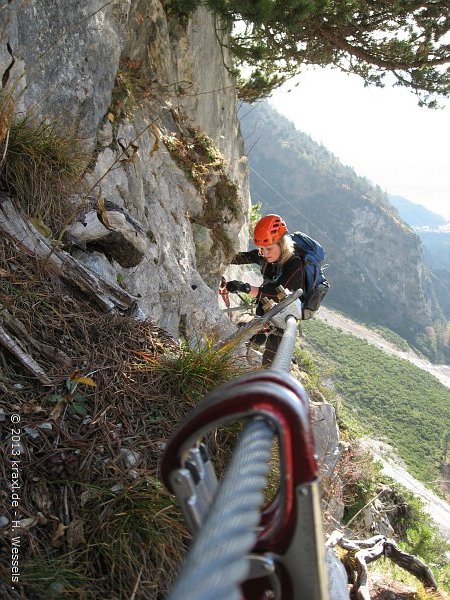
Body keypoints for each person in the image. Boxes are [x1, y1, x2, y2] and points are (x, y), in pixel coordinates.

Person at [226, 214, 304, 366]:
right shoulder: (265, 255)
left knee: (271, 362)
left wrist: (244, 287)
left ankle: (265, 383)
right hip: (265, 309)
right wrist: (222, 255)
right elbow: (243, 257)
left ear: (281, 244)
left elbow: (276, 292)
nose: (265, 253)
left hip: (283, 316)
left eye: (268, 248)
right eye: (261, 249)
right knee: (247, 335)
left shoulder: (294, 264)